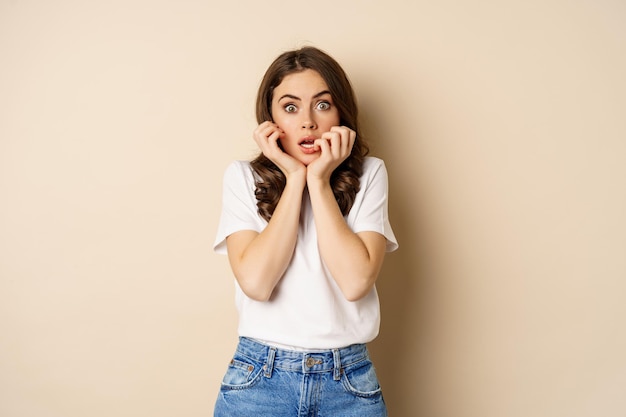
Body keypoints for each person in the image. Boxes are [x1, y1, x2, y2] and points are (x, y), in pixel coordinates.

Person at [212, 45, 398, 417]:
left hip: (348, 383)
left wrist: (319, 179)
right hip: (259, 381)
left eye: (323, 105)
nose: (308, 122)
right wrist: (295, 177)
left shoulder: (370, 174)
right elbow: (257, 283)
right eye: (291, 107)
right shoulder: (242, 177)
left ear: (341, 113)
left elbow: (355, 281)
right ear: (271, 118)